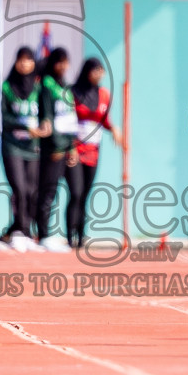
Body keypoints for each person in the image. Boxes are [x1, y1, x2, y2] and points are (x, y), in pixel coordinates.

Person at [69, 57, 120, 249]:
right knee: (75, 191)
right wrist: (70, 146)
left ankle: (81, 236)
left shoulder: (104, 95)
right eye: (95, 70)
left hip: (93, 151)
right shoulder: (73, 93)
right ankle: (69, 235)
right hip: (75, 149)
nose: (98, 74)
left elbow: (105, 120)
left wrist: (114, 129)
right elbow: (68, 120)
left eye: (101, 70)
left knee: (85, 194)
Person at [0, 47, 46, 252]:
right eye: (21, 60)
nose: (25, 63)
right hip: (12, 146)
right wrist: (27, 128)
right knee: (19, 188)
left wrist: (46, 124)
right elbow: (6, 119)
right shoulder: (8, 87)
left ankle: (21, 233)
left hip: (32, 147)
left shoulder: (38, 87)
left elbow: (47, 112)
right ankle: (18, 233)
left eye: (29, 60)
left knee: (31, 191)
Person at [36, 48, 78, 253]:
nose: (63, 66)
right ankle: (43, 234)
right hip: (53, 147)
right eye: (59, 62)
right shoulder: (46, 85)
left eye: (66, 62)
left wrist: (71, 147)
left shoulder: (65, 87)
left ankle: (52, 233)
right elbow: (47, 117)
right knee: (48, 191)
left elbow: (69, 118)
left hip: (66, 146)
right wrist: (55, 145)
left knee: (66, 191)